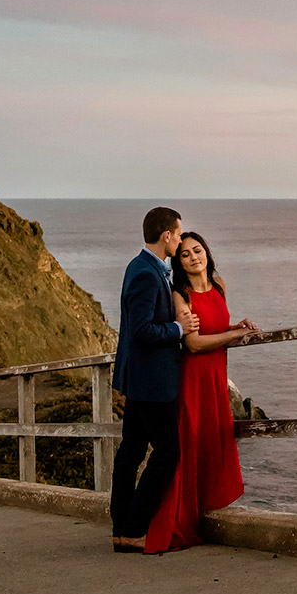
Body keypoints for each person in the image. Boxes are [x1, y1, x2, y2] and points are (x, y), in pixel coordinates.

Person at [146, 230, 257, 554]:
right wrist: (231, 337)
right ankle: (180, 525)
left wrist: (235, 327)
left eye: (197, 251)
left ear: (206, 252)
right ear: (179, 263)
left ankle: (202, 515)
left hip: (216, 378)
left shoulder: (219, 285)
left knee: (212, 441)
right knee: (189, 445)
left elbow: (214, 327)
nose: (194, 257)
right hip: (192, 379)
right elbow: (192, 343)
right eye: (185, 254)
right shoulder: (179, 294)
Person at [109, 207, 198, 552]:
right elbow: (142, 331)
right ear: (166, 235)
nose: (180, 239)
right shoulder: (147, 274)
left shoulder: (141, 266)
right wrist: (179, 329)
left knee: (130, 453)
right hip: (152, 383)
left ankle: (122, 531)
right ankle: (132, 527)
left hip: (139, 379)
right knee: (168, 452)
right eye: (178, 234)